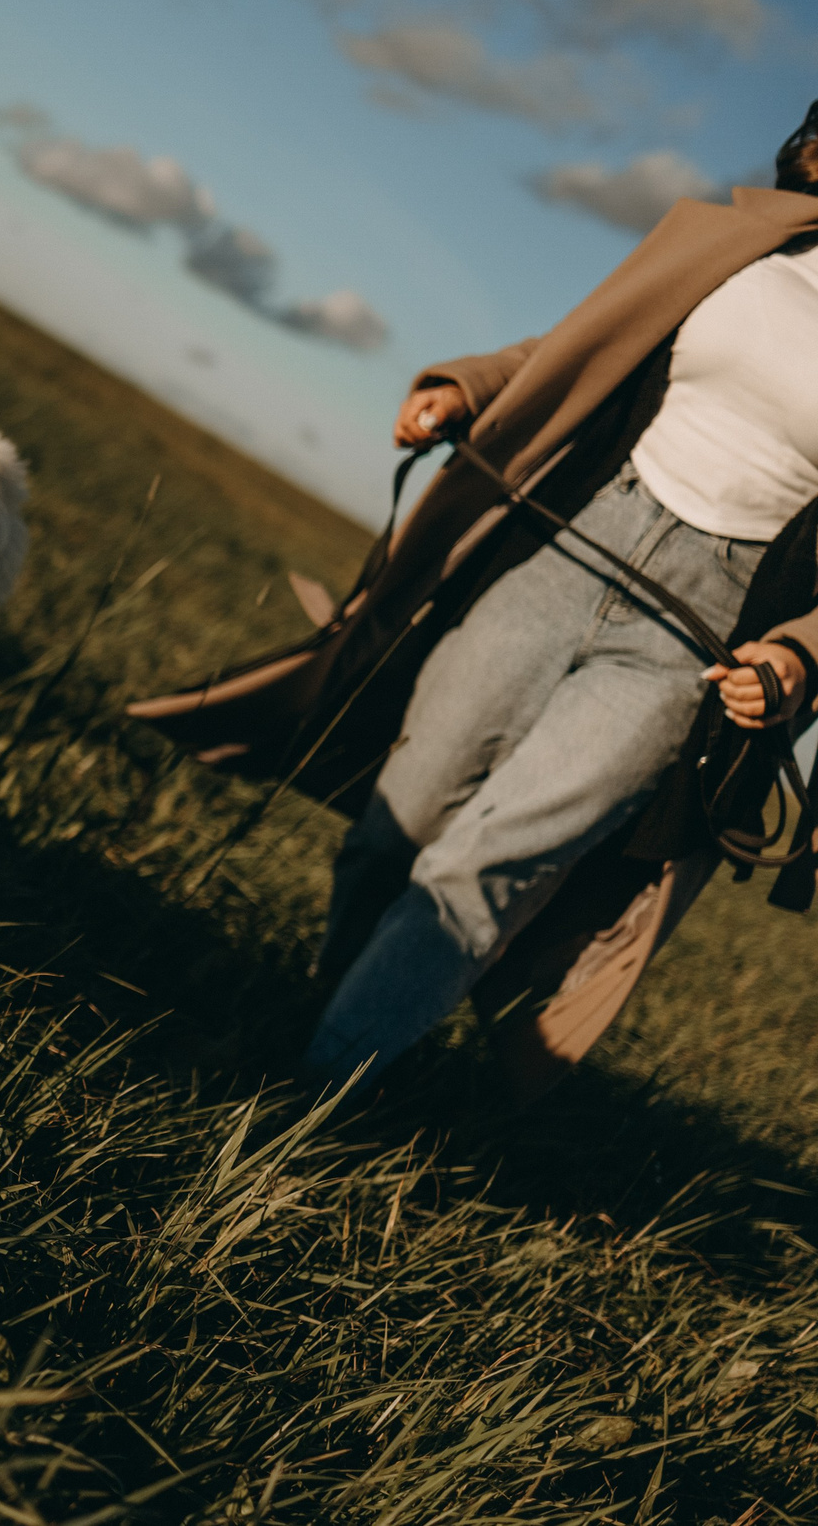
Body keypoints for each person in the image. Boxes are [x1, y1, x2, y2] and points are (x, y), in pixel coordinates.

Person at [130, 101, 818, 1097]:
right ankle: (332, 1019)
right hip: (558, 546)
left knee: (489, 863)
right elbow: (580, 347)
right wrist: (466, 386)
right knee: (393, 830)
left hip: (697, 635)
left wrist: (795, 657)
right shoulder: (734, 244)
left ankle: (309, 1091)